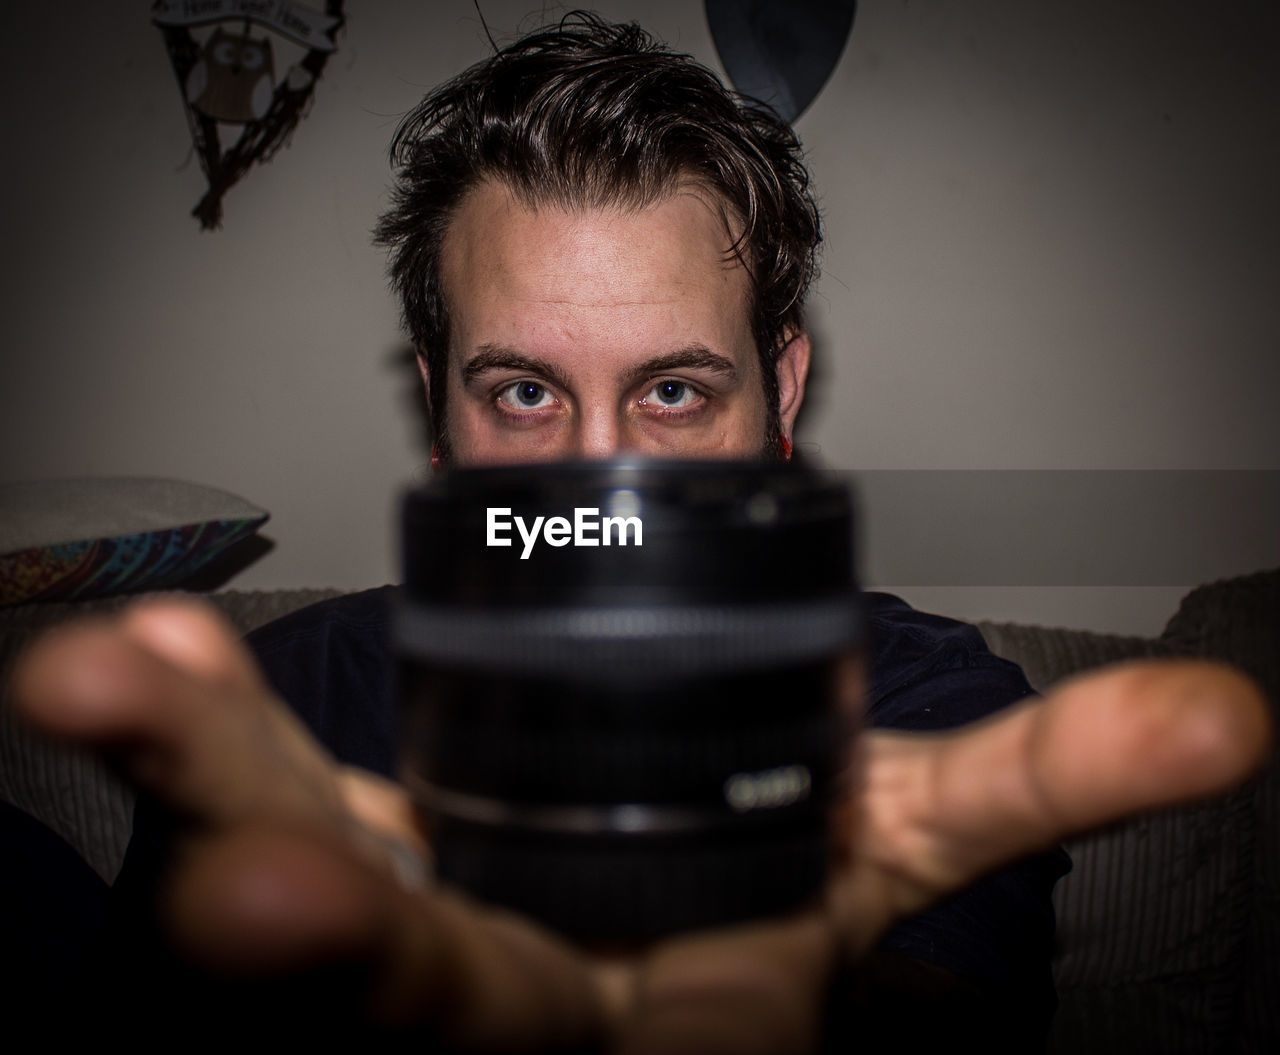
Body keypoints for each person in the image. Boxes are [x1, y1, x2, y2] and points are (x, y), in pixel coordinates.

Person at [11, 12, 1271, 1051]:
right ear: (438, 407)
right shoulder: (270, 708)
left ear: (776, 395)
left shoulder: (932, 710)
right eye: (523, 392)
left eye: (670, 391)